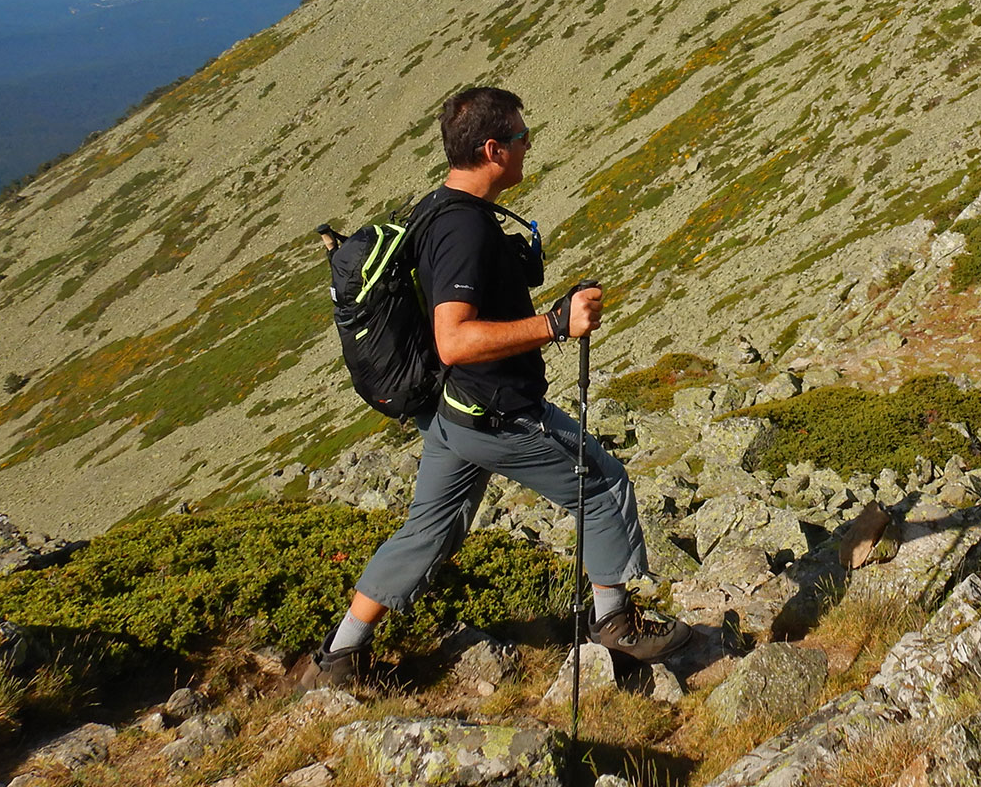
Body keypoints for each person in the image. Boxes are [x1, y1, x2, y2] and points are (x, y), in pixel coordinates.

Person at [291, 86, 690, 688]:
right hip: (490, 409)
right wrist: (555, 325)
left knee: (428, 529)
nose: (530, 146)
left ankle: (339, 658)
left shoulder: (438, 206)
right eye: (523, 137)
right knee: (603, 485)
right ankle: (615, 626)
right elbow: (453, 338)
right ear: (493, 148)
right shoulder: (463, 232)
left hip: (452, 412)